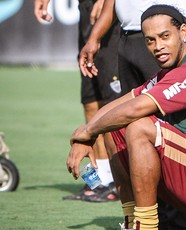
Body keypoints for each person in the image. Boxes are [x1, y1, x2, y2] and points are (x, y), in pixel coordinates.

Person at [67, 4, 186, 230]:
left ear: (183, 33)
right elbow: (125, 102)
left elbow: (135, 109)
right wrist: (84, 137)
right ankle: (132, 220)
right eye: (150, 40)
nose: (158, 47)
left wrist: (87, 132)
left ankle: (145, 226)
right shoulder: (170, 72)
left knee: (139, 127)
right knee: (114, 127)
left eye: (165, 36)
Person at [34, 0, 120, 202]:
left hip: (111, 16)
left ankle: (117, 180)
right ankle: (101, 180)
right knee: (91, 100)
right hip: (87, 11)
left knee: (112, 103)